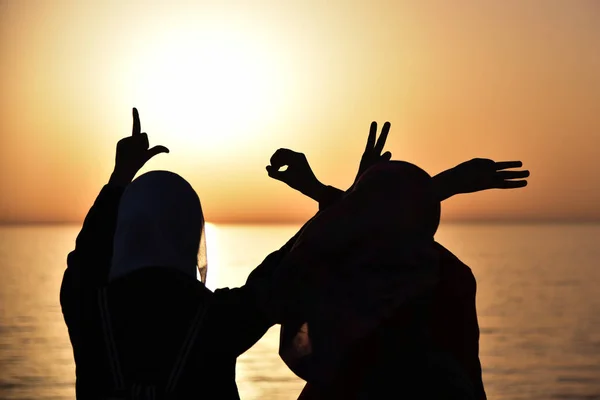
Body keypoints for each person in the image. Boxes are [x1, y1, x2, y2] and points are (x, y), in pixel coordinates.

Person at [60, 108, 376, 399]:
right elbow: (296, 261)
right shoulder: (217, 318)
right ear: (190, 235)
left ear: (123, 232)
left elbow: (87, 256)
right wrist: (346, 199)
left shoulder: (87, 306)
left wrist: (120, 177)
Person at [266, 122, 529, 399]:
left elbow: (297, 277)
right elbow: (469, 374)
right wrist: (443, 185)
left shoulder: (341, 268)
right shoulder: (448, 274)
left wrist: (341, 193)